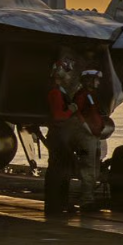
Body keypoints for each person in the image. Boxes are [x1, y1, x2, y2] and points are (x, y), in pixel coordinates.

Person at [69, 69, 108, 212]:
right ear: (89, 80)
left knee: (93, 168)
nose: (98, 82)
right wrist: (86, 128)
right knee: (88, 169)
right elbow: (76, 112)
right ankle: (86, 201)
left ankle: (89, 198)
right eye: (96, 80)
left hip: (93, 135)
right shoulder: (82, 95)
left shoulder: (91, 95)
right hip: (87, 137)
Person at [43, 60, 78, 215]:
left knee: (60, 170)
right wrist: (71, 109)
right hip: (59, 137)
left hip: (59, 136)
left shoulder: (58, 90)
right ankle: (56, 205)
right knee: (59, 171)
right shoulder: (56, 92)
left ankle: (58, 204)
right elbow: (58, 116)